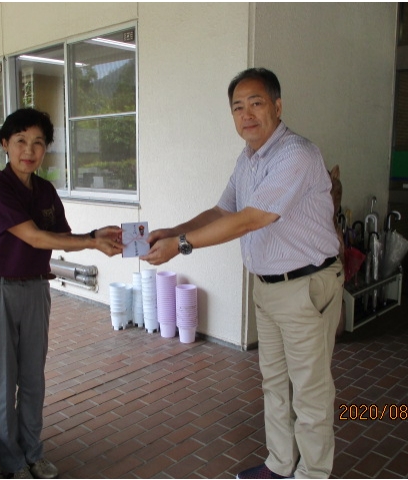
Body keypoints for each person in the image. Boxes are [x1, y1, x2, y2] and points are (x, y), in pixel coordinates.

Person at [141, 68, 343, 479]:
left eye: (256, 103)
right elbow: (223, 211)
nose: (247, 114)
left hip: (305, 287)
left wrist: (182, 245)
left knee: (310, 391)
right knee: (274, 383)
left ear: (277, 107)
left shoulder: (297, 154)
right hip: (268, 287)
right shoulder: (248, 159)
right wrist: (174, 231)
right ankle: (280, 465)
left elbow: (252, 218)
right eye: (238, 107)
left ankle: (313, 474)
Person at [0, 108, 123, 479]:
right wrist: (92, 241)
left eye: (38, 143)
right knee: (2, 382)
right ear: (5, 144)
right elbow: (35, 237)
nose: (29, 150)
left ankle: (33, 453)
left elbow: (63, 238)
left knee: (33, 380)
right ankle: (12, 463)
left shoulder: (45, 191)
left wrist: (96, 236)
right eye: (21, 141)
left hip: (36, 288)